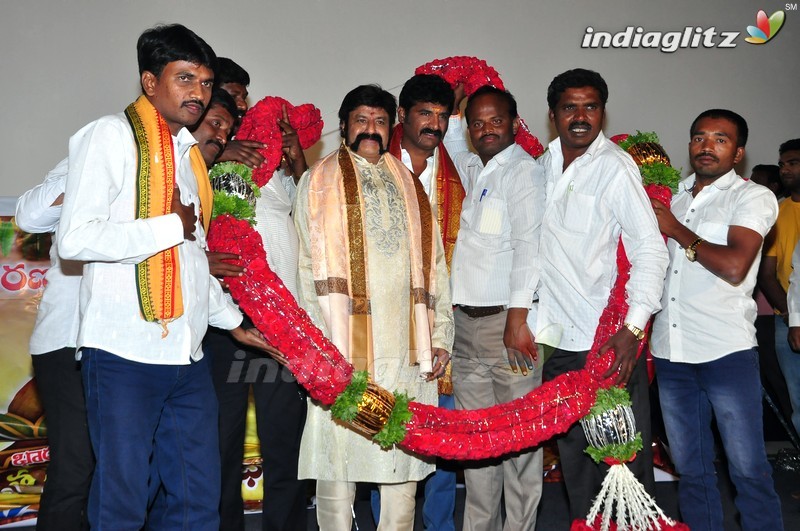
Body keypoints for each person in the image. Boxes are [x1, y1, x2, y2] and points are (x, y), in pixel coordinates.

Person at [56, 24, 269, 529]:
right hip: (124, 354)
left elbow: (192, 254)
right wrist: (168, 224)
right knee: (123, 500)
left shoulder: (187, 155)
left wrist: (232, 319)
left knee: (198, 500)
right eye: (185, 78)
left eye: (205, 82)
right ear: (150, 82)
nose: (198, 92)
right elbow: (76, 239)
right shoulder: (110, 135)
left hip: (187, 355)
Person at [294, 84, 454, 531]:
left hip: (406, 351)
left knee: (401, 472)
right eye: (361, 120)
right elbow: (305, 267)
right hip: (343, 348)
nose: (371, 129)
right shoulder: (317, 180)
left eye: (380, 121)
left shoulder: (410, 185)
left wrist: (440, 335)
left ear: (392, 126)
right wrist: (319, 347)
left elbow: (436, 266)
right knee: (337, 468)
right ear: (343, 125)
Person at [536, 68, 668, 521]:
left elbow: (650, 248)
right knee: (578, 471)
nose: (580, 117)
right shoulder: (543, 164)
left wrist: (632, 329)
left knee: (623, 472)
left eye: (590, 107)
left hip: (606, 344)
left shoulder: (614, 166)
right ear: (553, 114)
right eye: (569, 107)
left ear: (602, 112)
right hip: (554, 342)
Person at [650, 109, 783, 530]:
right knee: (691, 469)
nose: (706, 146)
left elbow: (734, 266)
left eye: (720, 139)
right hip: (671, 353)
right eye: (699, 137)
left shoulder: (750, 197)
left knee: (747, 469)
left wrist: (675, 230)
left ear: (739, 152)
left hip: (725, 350)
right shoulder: (672, 195)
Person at [200, 61, 312, 531]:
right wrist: (219, 156)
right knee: (219, 441)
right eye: (228, 95)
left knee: (283, 440)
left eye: (243, 96)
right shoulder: (197, 156)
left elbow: (310, 208)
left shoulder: (270, 151)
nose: (238, 105)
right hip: (220, 318)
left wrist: (296, 156)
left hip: (280, 317)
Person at [442, 85, 545, 531]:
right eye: (477, 122)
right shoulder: (472, 165)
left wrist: (519, 318)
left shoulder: (523, 172)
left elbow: (531, 246)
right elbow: (445, 136)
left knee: (520, 443)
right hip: (465, 326)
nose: (486, 130)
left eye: (495, 121)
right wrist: (455, 97)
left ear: (515, 122)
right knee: (477, 443)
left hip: (508, 325)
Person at [15, 160, 93, 531]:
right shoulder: (90, 155)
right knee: (76, 462)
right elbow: (30, 215)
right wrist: (91, 175)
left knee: (123, 467)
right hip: (66, 341)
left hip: (130, 344)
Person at [758, 139, 800, 437]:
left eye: (793, 163)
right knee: (797, 402)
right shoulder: (777, 210)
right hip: (787, 321)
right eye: (782, 163)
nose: (784, 169)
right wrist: (790, 315)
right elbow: (767, 272)